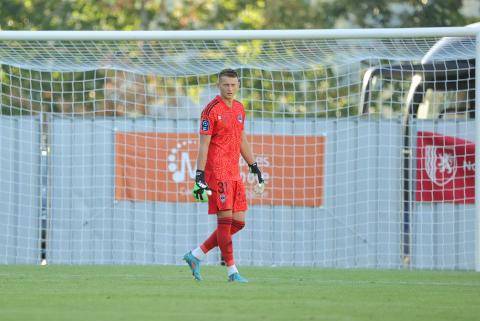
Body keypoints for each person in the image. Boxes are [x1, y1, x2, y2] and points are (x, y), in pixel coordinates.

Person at [183, 68, 264, 283]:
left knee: (238, 223)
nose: (229, 88)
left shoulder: (239, 108)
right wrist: (199, 175)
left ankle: (196, 255)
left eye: (233, 85)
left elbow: (241, 139)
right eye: (225, 84)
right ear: (218, 85)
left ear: (238, 86)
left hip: (234, 172)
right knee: (225, 223)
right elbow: (203, 145)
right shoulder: (210, 110)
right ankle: (232, 272)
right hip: (217, 173)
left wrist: (253, 163)